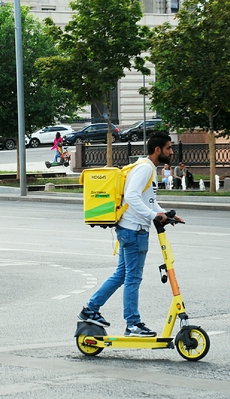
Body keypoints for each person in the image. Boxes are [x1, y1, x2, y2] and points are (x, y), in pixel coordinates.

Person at [78, 132, 184, 337]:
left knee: (122, 274)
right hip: (134, 231)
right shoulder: (145, 169)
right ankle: (133, 324)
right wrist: (154, 215)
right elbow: (132, 197)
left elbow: (148, 201)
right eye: (169, 148)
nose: (171, 152)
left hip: (131, 230)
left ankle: (90, 309)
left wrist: (165, 214)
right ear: (157, 150)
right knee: (132, 278)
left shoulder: (147, 168)